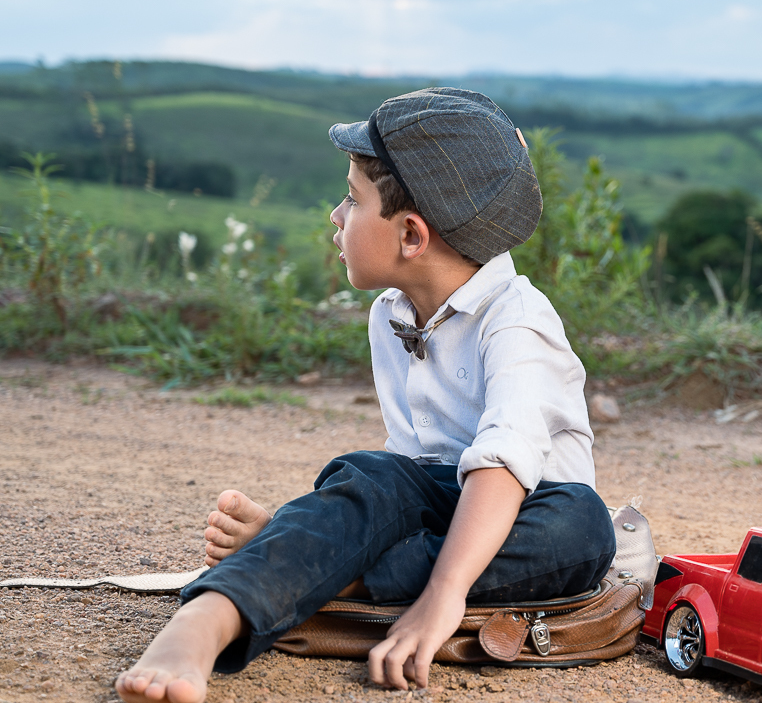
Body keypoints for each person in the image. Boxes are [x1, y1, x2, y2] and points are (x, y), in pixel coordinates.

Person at [114, 88, 616, 703]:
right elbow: (406, 479)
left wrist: (442, 597)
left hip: (528, 512)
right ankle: (202, 622)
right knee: (372, 475)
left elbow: (503, 465)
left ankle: (324, 565)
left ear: (412, 236)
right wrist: (367, 522)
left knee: (584, 528)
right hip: (436, 504)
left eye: (352, 199)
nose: (335, 215)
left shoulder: (518, 323)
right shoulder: (392, 314)